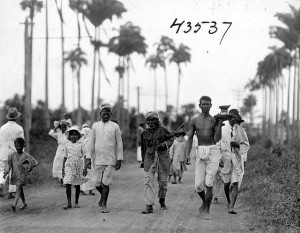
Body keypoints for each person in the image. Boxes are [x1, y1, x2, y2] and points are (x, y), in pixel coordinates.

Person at [185, 96, 224, 220]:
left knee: (209, 182)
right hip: (200, 150)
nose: (205, 106)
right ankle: (204, 202)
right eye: (203, 104)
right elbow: (190, 137)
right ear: (200, 105)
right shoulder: (194, 120)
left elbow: (217, 139)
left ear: (211, 105)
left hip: (212, 150)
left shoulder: (214, 120)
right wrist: (187, 154)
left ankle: (207, 210)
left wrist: (219, 124)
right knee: (198, 186)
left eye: (207, 104)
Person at [85, 104, 123, 213]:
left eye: (107, 113)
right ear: (100, 114)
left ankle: (104, 205)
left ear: (110, 114)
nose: (105, 115)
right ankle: (103, 197)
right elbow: (91, 142)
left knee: (106, 182)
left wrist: (119, 158)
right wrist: (88, 158)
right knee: (96, 183)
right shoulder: (95, 126)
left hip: (110, 158)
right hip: (97, 158)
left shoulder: (115, 126)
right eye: (103, 113)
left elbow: (119, 143)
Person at [140, 111, 174, 214]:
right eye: (149, 120)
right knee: (148, 182)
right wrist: (143, 160)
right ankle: (149, 205)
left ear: (157, 120)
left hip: (162, 158)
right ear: (146, 122)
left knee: (163, 183)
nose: (151, 122)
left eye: (153, 120)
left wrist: (164, 144)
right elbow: (143, 148)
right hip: (149, 159)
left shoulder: (163, 131)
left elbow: (171, 139)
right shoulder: (144, 133)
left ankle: (162, 200)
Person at [219, 109, 250, 214]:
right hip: (226, 158)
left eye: (235, 117)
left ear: (238, 118)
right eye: (231, 117)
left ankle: (232, 206)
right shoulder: (223, 130)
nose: (233, 119)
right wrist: (219, 158)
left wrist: (243, 158)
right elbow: (218, 144)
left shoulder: (241, 130)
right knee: (227, 183)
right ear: (228, 118)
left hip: (237, 158)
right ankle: (228, 201)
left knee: (236, 183)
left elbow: (246, 145)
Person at [3, 137, 38, 211]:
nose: (18, 148)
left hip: (23, 175)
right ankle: (24, 203)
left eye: (20, 146)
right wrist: (6, 172)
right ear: (14, 146)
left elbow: (35, 162)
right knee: (20, 189)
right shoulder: (11, 155)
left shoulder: (26, 155)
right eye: (17, 146)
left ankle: (14, 205)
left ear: (23, 146)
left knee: (18, 187)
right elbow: (9, 165)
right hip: (15, 175)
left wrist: (29, 166)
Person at [0, 107, 24, 199]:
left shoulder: (2, 128)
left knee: (2, 169)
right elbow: (22, 142)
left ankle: (1, 183)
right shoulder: (19, 128)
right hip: (14, 151)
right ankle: (12, 192)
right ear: (16, 117)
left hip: (3, 151)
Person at [62, 126, 88, 209]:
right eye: (72, 135)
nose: (73, 136)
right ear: (69, 136)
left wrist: (85, 167)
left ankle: (76, 202)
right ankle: (69, 203)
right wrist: (63, 168)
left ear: (78, 136)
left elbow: (85, 155)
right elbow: (65, 156)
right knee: (67, 182)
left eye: (75, 135)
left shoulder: (81, 144)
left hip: (78, 166)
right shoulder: (67, 144)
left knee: (77, 184)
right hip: (68, 165)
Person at [49, 120, 69, 184]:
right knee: (59, 163)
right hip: (60, 150)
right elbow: (50, 133)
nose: (64, 128)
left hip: (67, 150)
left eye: (65, 126)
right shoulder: (58, 134)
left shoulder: (68, 133)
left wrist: (67, 125)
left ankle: (65, 180)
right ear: (60, 127)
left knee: (66, 164)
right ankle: (61, 178)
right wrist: (56, 127)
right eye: (62, 126)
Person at [80, 123, 95, 196]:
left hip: (88, 159)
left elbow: (89, 151)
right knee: (82, 174)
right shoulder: (82, 140)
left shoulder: (90, 141)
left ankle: (90, 190)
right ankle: (81, 190)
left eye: (84, 133)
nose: (83, 135)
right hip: (82, 159)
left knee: (89, 174)